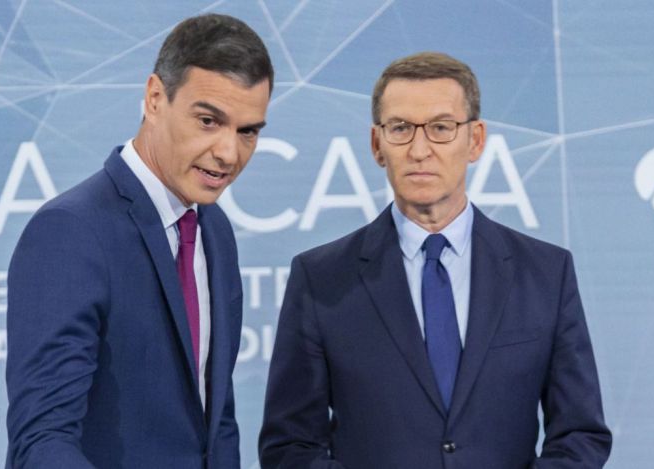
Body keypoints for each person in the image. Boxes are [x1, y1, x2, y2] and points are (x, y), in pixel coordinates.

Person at [259, 52, 611, 468]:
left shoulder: (547, 273)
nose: (420, 149)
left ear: (475, 140)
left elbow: (580, 435)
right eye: (401, 128)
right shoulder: (321, 278)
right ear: (377, 144)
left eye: (441, 128)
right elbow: (290, 447)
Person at [5, 14, 273, 468]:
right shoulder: (71, 231)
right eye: (208, 121)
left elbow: (216, 421)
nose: (229, 153)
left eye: (247, 131)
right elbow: (43, 441)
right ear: (154, 99)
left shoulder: (216, 230)